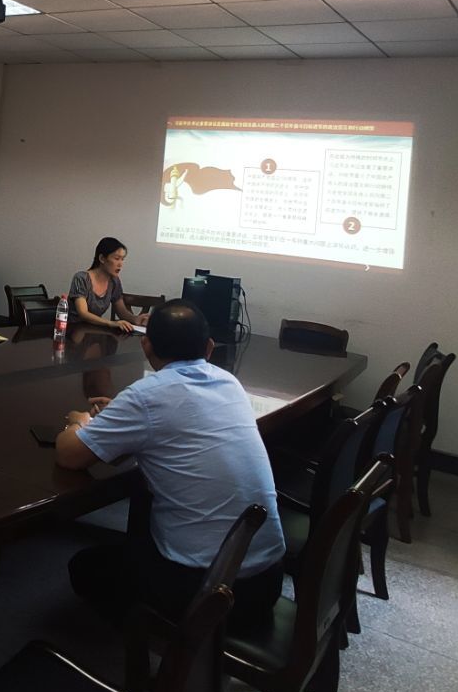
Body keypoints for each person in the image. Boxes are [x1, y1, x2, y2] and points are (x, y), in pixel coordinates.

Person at [53, 300, 285, 623]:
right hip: (266, 581)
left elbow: (69, 456)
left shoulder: (146, 396)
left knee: (84, 568)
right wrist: (122, 415)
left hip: (206, 595)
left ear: (146, 345)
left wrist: (79, 422)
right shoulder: (229, 383)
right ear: (209, 347)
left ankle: (153, 635)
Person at [69, 236, 148, 333]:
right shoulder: (81, 278)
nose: (120, 264)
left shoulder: (114, 281)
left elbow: (121, 312)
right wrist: (110, 323)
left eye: (122, 259)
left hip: (94, 331)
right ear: (102, 258)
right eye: (117, 258)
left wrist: (136, 319)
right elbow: (83, 313)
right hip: (73, 330)